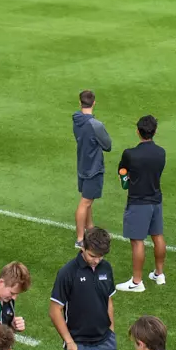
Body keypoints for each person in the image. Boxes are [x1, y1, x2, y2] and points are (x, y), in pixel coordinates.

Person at [117, 115, 168, 292]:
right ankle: (159, 274)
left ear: (138, 132)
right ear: (155, 132)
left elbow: (122, 172)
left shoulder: (130, 154)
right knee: (158, 236)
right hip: (156, 200)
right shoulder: (161, 152)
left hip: (138, 202)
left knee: (137, 242)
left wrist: (125, 180)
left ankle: (137, 282)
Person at [73, 91, 113, 249]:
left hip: (82, 163)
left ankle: (89, 229)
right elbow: (108, 145)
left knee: (87, 199)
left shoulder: (76, 119)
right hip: (93, 167)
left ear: (80, 102)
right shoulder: (96, 125)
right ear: (94, 102)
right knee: (85, 202)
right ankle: (80, 239)